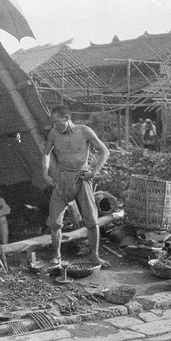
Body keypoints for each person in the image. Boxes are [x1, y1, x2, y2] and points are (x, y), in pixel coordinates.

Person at [42, 105, 110, 268]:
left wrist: (94, 172)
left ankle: (95, 256)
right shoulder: (54, 134)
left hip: (82, 177)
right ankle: (57, 257)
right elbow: (45, 153)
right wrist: (45, 173)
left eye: (57, 122)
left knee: (92, 221)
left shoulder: (84, 131)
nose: (54, 126)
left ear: (67, 118)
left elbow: (104, 151)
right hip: (63, 179)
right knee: (55, 222)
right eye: (53, 123)